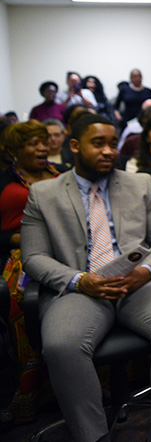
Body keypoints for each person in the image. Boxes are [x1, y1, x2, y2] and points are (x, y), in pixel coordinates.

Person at [21, 114, 151, 442]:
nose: (108, 151)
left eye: (113, 144)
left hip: (138, 283)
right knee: (61, 345)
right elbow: (33, 258)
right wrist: (78, 280)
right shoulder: (43, 194)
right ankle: (94, 435)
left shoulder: (139, 183)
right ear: (75, 146)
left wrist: (147, 270)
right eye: (97, 143)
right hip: (79, 289)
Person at [1, 121, 60, 422]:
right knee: (26, 304)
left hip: (66, 250)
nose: (41, 148)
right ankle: (28, 395)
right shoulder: (5, 183)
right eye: (32, 144)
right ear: (14, 151)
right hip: (22, 256)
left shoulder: (60, 174)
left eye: (44, 142)